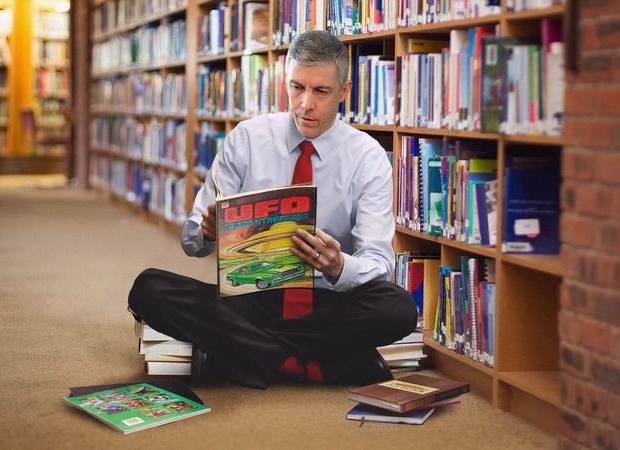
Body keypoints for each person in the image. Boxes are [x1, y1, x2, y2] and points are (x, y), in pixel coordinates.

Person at [128, 30, 416, 389]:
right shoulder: (246, 139)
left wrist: (339, 264)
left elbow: (379, 262)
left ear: (344, 91)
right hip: (252, 297)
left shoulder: (368, 157)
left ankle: (241, 351)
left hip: (327, 303)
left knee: (399, 307)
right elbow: (192, 242)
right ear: (285, 80)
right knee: (149, 288)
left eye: (320, 91)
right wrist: (207, 231)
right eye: (297, 87)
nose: (305, 104)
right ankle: (307, 362)